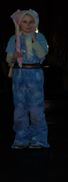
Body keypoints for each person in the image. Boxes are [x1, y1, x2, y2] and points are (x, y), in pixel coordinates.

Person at [6, 9, 49, 149]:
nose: (28, 24)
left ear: (35, 23)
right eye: (24, 22)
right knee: (19, 109)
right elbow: (9, 59)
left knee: (36, 109)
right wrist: (14, 53)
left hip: (35, 74)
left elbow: (43, 54)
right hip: (19, 76)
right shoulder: (14, 39)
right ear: (19, 23)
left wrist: (33, 41)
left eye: (31, 22)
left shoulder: (40, 37)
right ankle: (21, 138)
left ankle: (39, 138)